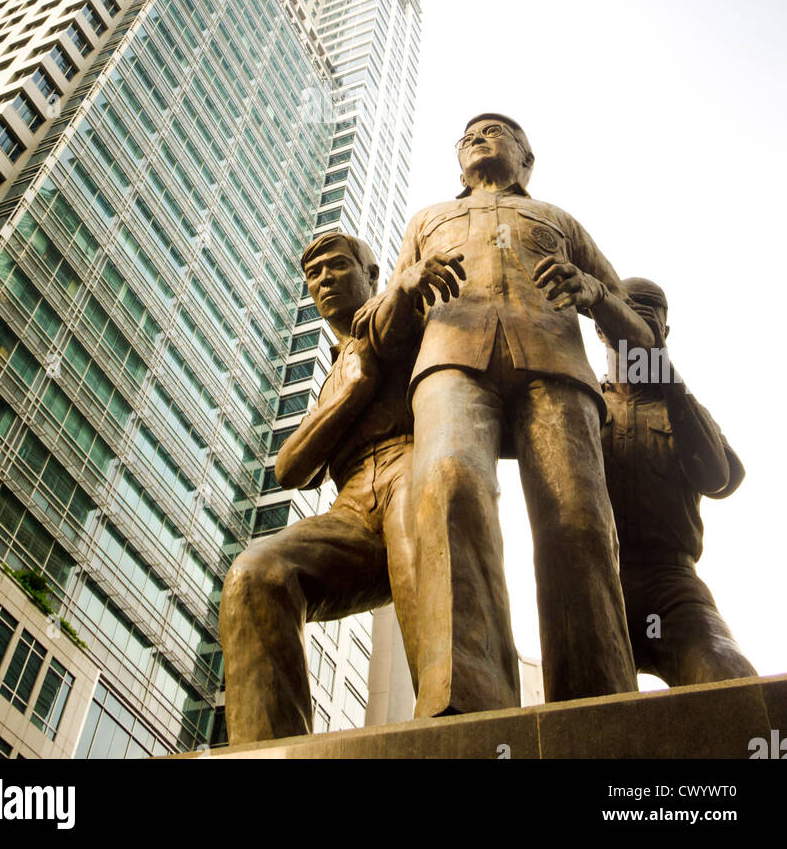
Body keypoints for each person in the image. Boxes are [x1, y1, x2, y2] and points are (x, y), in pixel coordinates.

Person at [354, 113, 654, 716]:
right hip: (449, 361)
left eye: (493, 131)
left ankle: (598, 705)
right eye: (465, 135)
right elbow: (377, 336)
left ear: (526, 158)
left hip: (556, 364)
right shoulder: (427, 220)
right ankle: (467, 696)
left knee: (578, 519)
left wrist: (593, 295)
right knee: (450, 486)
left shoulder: (558, 220)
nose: (474, 139)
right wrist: (406, 285)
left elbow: (642, 335)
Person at [218, 229, 463, 744]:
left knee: (421, 553)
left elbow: (407, 326)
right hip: (351, 508)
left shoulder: (408, 317)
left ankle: (453, 728)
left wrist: (404, 288)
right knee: (255, 575)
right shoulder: (338, 372)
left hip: (410, 467)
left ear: (371, 275)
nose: (324, 280)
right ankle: (268, 750)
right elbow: (291, 469)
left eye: (336, 266)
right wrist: (352, 389)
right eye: (314, 274)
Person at [599, 277, 757, 686]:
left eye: (650, 327)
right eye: (626, 321)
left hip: (673, 586)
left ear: (664, 334)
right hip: (598, 583)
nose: (635, 337)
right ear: (602, 326)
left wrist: (665, 372)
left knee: (730, 677)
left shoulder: (685, 410)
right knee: (578, 714)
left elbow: (717, 478)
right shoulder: (582, 401)